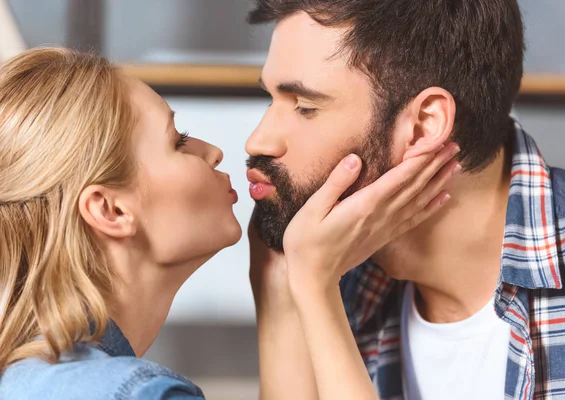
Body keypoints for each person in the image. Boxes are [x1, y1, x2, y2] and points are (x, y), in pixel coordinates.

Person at [0, 48, 456, 399]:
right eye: (177, 142)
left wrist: (280, 283)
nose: (214, 151)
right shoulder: (132, 392)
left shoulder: (33, 378)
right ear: (110, 211)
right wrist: (316, 285)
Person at [245, 1, 565, 399]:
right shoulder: (330, 276)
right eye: (270, 100)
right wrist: (287, 284)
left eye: (305, 107)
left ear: (424, 125)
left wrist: (311, 284)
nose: (258, 141)